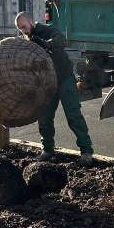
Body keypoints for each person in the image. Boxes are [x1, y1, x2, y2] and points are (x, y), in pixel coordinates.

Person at [15, 11, 94, 167]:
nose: (23, 31)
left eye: (24, 27)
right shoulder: (25, 41)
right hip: (46, 84)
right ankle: (48, 150)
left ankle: (86, 151)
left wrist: (47, 44)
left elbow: (61, 40)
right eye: (20, 29)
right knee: (44, 117)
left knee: (73, 115)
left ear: (31, 21)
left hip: (64, 78)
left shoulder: (48, 30)